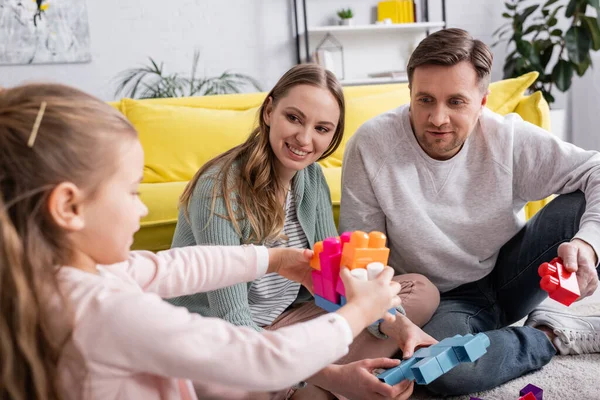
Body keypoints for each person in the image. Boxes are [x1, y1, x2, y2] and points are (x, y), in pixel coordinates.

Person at [0, 82, 407, 400]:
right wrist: (357, 312)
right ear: (69, 206)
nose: (142, 210)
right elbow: (263, 360)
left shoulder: (72, 275)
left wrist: (276, 259)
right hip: (248, 355)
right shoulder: (107, 311)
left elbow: (181, 264)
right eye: (132, 192)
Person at [339, 27, 600, 396]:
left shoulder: (507, 138)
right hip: (445, 300)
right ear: (409, 95)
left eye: (456, 102)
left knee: (583, 203)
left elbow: (596, 169)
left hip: (515, 272)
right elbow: (361, 268)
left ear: (482, 102)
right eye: (425, 100)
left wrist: (588, 244)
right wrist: (394, 323)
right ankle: (549, 334)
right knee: (443, 372)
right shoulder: (371, 147)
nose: (438, 119)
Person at [169, 63, 440, 399]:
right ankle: (317, 384)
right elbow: (233, 319)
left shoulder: (310, 178)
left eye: (322, 128)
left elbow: (335, 279)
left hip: (288, 323)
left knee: (419, 291)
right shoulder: (219, 190)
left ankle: (309, 384)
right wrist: (333, 375)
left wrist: (394, 323)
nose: (304, 139)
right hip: (224, 341)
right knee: (225, 386)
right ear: (269, 111)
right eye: (294, 118)